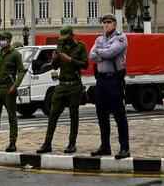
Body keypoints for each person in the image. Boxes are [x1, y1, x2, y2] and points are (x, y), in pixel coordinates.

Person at [36, 26, 88, 154]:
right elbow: (54, 66)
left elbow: (85, 65)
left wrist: (70, 59)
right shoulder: (60, 47)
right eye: (62, 38)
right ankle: (47, 144)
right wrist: (54, 58)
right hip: (62, 85)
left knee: (73, 115)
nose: (64, 40)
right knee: (53, 114)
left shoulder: (80, 46)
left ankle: (72, 144)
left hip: (74, 85)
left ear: (72, 35)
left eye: (66, 37)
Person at [89, 13, 130, 159]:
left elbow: (112, 52)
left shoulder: (121, 37)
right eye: (104, 22)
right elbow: (91, 55)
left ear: (115, 24)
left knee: (119, 115)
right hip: (101, 80)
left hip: (114, 80)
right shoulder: (99, 38)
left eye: (109, 22)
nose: (106, 24)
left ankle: (124, 147)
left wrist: (100, 52)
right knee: (101, 114)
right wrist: (103, 52)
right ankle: (105, 146)